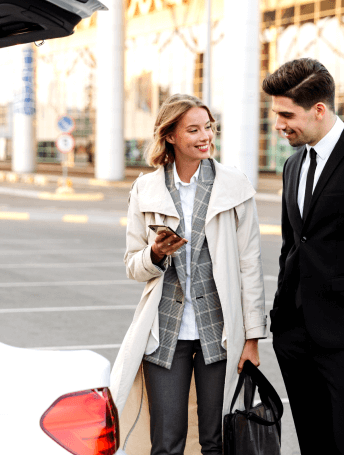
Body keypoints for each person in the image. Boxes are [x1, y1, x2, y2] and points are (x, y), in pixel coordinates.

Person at [110, 94, 267, 455]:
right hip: (164, 333)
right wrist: (155, 253)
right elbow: (133, 264)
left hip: (222, 333)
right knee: (166, 443)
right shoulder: (145, 189)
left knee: (216, 441)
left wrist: (253, 338)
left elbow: (250, 266)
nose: (205, 136)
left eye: (208, 128)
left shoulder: (234, 186)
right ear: (170, 136)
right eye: (193, 129)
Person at [262, 58, 344, 455]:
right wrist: (281, 321)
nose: (278, 124)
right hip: (296, 336)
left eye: (286, 114)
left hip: (342, 337)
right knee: (313, 442)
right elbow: (291, 245)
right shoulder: (293, 166)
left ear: (319, 110)